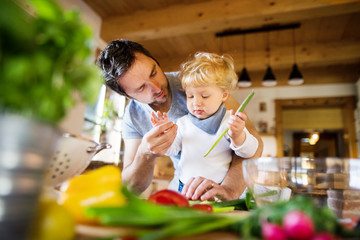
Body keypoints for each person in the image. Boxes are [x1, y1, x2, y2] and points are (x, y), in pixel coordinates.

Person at [97, 39, 263, 201]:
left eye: (153, 72)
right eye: (141, 88)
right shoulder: (133, 117)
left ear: (156, 61)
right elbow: (130, 187)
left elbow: (255, 146)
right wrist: (146, 153)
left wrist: (228, 190)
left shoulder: (196, 81)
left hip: (225, 188)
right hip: (185, 187)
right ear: (128, 96)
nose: (156, 87)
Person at [150, 52, 259, 194]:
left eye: (205, 96)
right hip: (185, 188)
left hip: (216, 189)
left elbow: (250, 151)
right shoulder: (183, 123)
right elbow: (173, 150)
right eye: (190, 96)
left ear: (224, 95)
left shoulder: (229, 121)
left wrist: (238, 136)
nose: (196, 102)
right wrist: (165, 135)